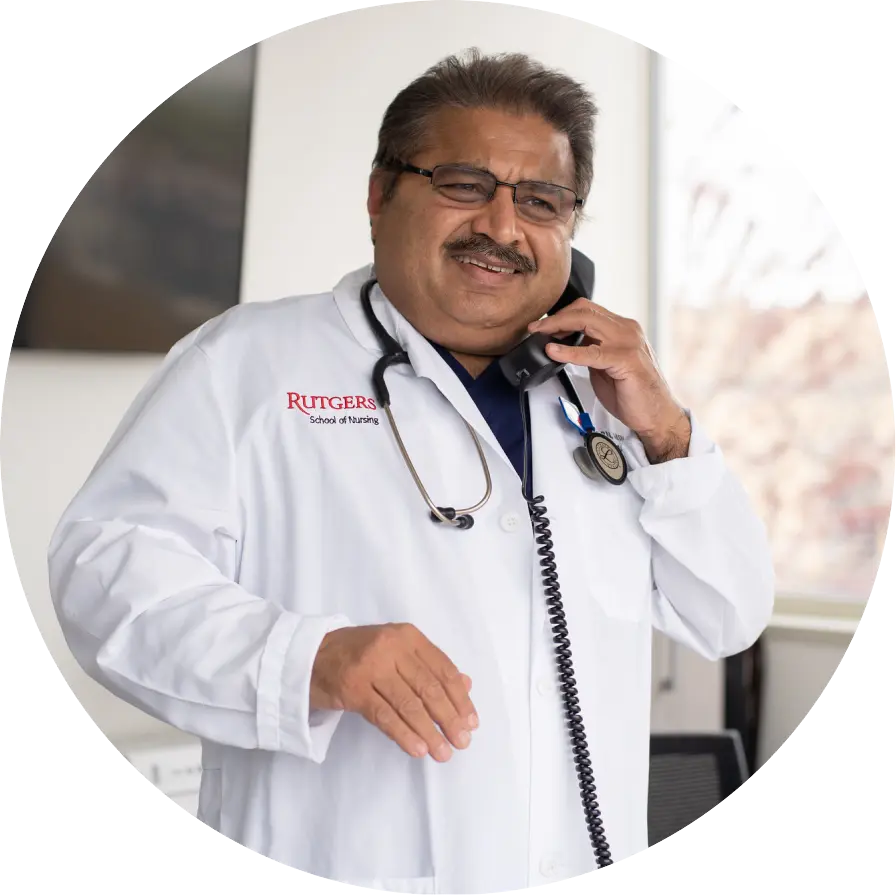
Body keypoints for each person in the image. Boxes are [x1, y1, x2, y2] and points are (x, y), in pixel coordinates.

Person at [47, 48, 775, 894]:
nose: (502, 227)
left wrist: (668, 432)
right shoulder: (245, 363)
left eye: (540, 200)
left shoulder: (605, 401)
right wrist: (304, 657)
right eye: (464, 184)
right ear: (379, 198)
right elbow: (104, 576)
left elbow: (728, 613)